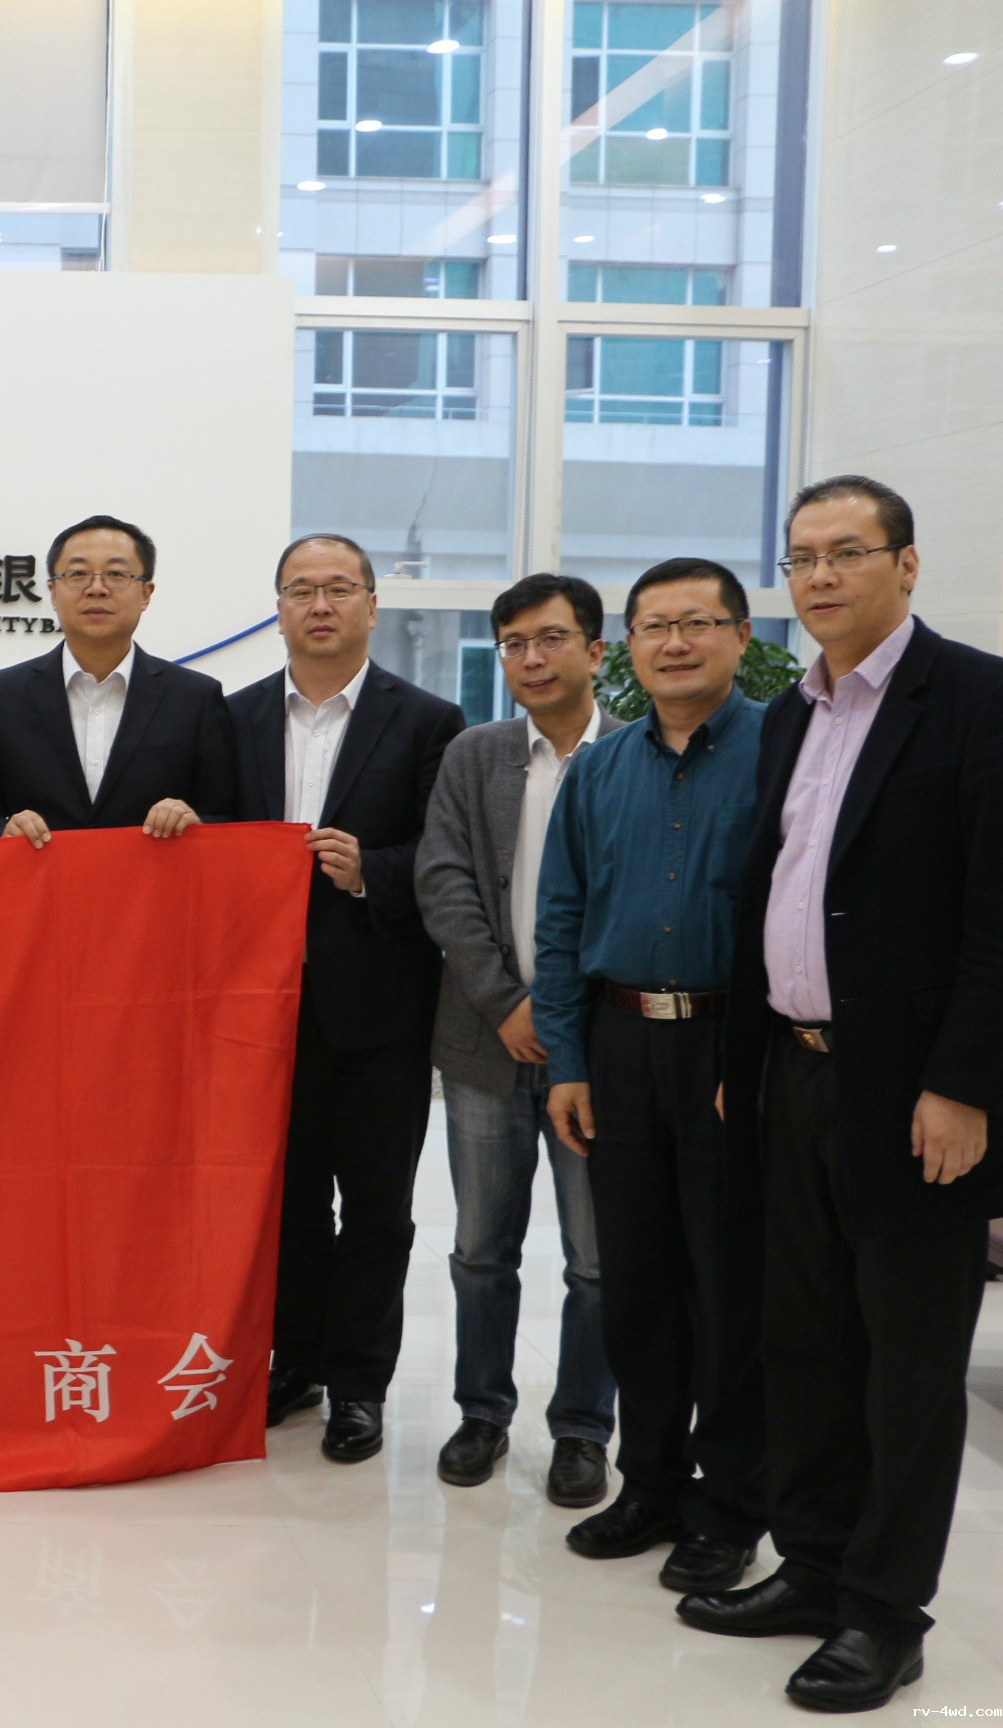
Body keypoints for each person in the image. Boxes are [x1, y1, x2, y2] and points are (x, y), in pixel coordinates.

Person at [678, 478, 1003, 1713]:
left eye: (847, 553)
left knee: (906, 1365)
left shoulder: (975, 699)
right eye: (802, 557)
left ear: (906, 565)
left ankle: (883, 1612)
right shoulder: (790, 714)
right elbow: (772, 894)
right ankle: (813, 1567)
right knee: (804, 1341)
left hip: (915, 1093)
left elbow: (997, 918)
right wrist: (742, 1069)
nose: (819, 577)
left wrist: (964, 1084)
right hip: (793, 1071)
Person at [534, 557, 766, 1593]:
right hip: (620, 1044)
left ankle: (734, 1504)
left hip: (730, 1049)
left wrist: (753, 1054)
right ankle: (653, 1484)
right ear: (626, 645)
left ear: (740, 635)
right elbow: (561, 918)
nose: (675, 643)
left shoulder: (782, 752)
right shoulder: (600, 770)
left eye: (697, 623)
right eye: (655, 626)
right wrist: (569, 1059)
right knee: (635, 1283)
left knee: (730, 1288)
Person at [229, 533, 464, 1464]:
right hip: (263, 1011)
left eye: (337, 589)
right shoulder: (234, 717)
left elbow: (444, 855)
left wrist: (372, 871)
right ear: (278, 607)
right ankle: (294, 1361)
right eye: (300, 590)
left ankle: (359, 1384)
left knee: (376, 1209)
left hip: (380, 1010)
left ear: (372, 604)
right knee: (285, 1206)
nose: (318, 605)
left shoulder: (429, 720)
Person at [415, 573, 618, 1506]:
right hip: (485, 1042)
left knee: (596, 1259)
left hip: (598, 1052)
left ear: (596, 650)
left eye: (551, 639)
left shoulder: (634, 754)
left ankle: (582, 1430)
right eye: (514, 644)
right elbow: (444, 881)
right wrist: (505, 1001)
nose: (531, 659)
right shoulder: (476, 754)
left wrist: (564, 1017)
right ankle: (482, 1412)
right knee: (480, 1248)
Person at [0, 514, 236, 846]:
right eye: (78, 574)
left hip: (151, 880)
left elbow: (228, 818)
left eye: (116, 575)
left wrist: (194, 823)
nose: (96, 589)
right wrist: (2, 830)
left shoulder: (195, 698)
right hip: (38, 878)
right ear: (53, 592)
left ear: (146, 593)